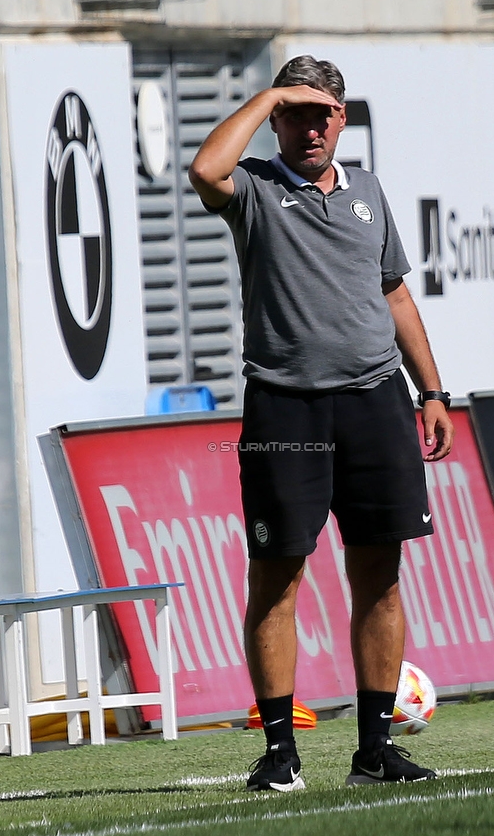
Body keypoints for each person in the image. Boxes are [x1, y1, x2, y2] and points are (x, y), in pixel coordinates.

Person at [189, 55, 454, 791]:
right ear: (276, 118)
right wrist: (272, 91)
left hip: (375, 401)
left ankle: (375, 751)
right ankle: (280, 754)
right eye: (296, 113)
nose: (311, 126)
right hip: (285, 403)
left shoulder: (368, 189)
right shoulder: (256, 188)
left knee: (381, 573)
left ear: (341, 118)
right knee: (277, 577)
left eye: (322, 113)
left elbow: (394, 293)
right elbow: (205, 168)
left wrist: (432, 391)